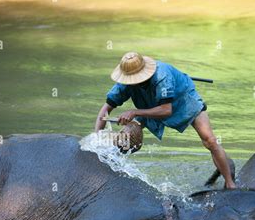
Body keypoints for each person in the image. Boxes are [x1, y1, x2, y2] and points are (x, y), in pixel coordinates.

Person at [94, 51, 236, 189]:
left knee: (209, 140)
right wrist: (97, 137)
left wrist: (134, 112)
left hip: (182, 100)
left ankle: (230, 184)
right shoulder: (124, 84)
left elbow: (166, 110)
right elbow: (105, 110)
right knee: (125, 137)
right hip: (149, 105)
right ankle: (114, 176)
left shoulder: (162, 76)